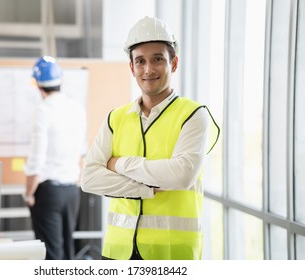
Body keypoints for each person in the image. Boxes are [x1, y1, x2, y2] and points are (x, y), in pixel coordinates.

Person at [81, 16, 220, 260]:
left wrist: (119, 164)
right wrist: (144, 188)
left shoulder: (194, 115)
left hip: (171, 254)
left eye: (157, 59)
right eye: (141, 61)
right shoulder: (116, 118)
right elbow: (89, 178)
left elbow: (181, 175)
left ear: (173, 63)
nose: (148, 69)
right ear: (131, 67)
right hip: (117, 252)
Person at [24, 56, 87, 260]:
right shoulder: (77, 109)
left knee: (50, 254)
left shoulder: (42, 111)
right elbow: (81, 153)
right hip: (72, 191)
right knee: (67, 250)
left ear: (38, 84)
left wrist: (29, 193)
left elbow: (37, 159)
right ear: (60, 81)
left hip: (48, 192)